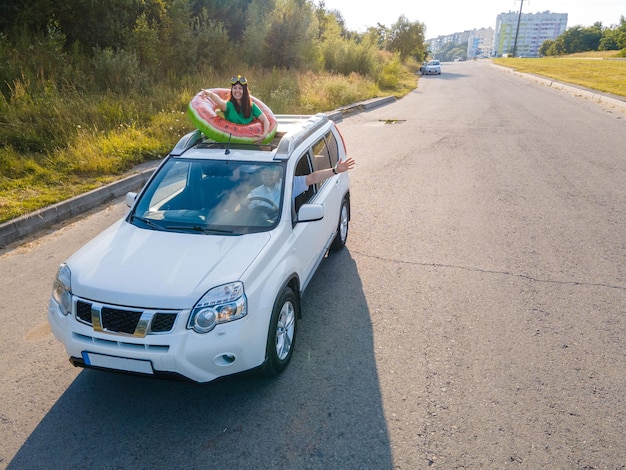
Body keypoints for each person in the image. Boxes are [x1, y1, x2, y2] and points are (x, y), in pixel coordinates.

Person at [246, 157, 356, 210]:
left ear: (277, 174)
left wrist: (335, 170)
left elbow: (313, 178)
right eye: (265, 175)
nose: (268, 177)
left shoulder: (290, 184)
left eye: (271, 174)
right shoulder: (255, 192)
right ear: (261, 176)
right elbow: (246, 210)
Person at [200, 75, 270, 144]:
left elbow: (265, 120)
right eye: (235, 88)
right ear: (232, 90)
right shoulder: (229, 106)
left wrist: (264, 135)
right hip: (230, 144)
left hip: (250, 144)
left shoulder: (252, 106)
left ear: (244, 91)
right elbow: (219, 101)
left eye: (240, 88)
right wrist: (210, 94)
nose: (237, 91)